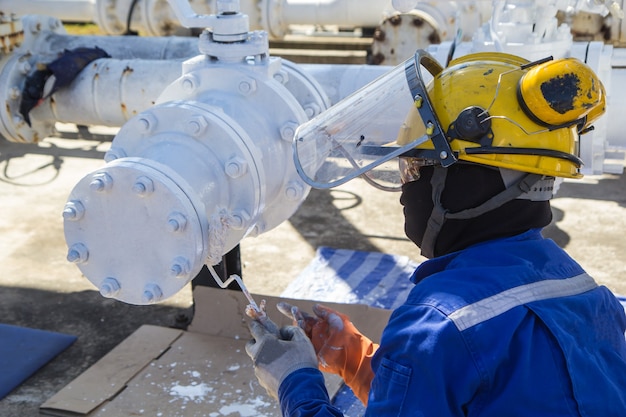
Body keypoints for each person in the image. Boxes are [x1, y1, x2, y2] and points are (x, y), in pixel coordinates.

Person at [244, 50, 626, 416]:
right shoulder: (587, 291)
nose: (405, 191)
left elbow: (448, 355)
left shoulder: (437, 324)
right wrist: (353, 358)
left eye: (415, 168)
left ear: (467, 182)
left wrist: (295, 381)